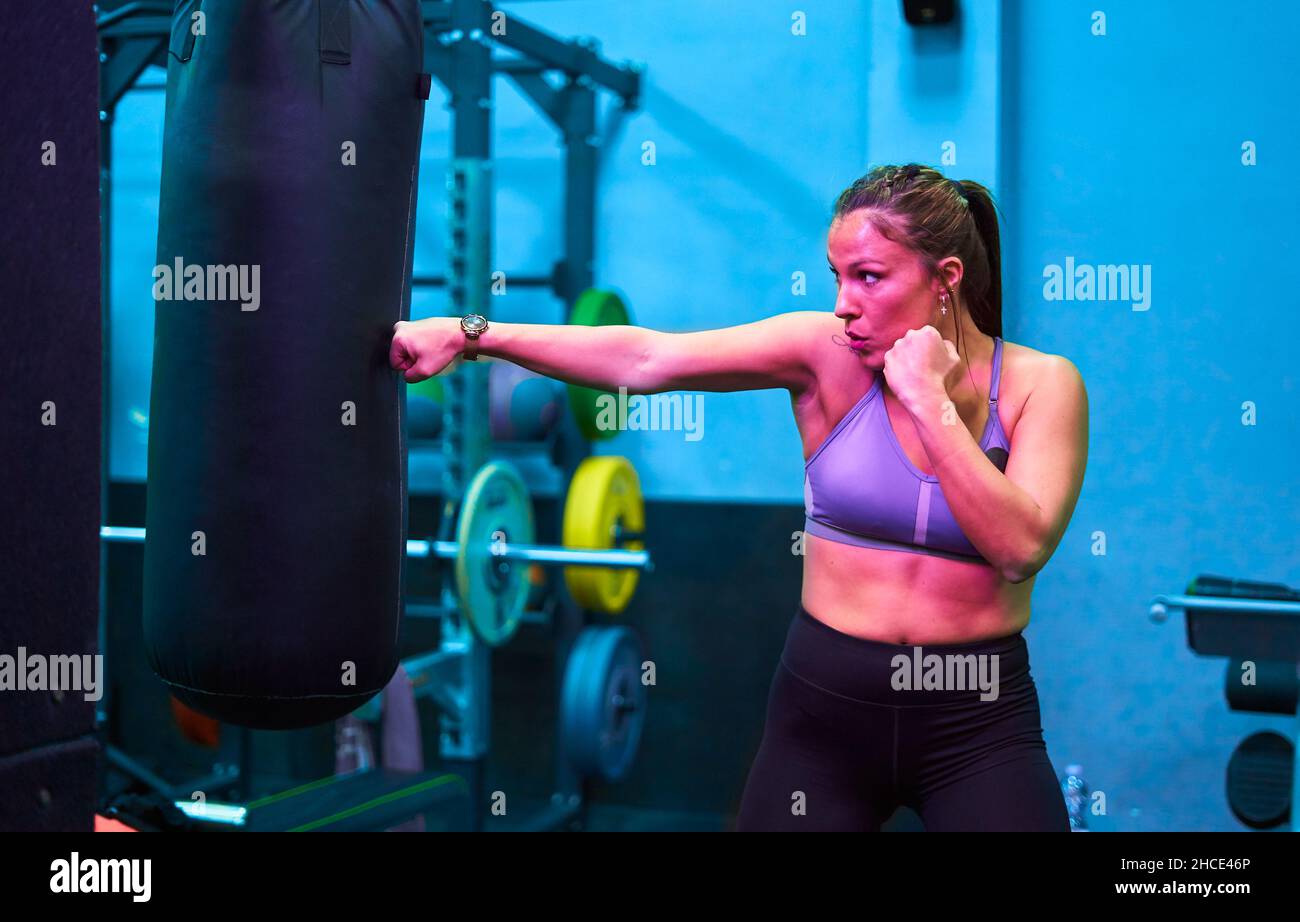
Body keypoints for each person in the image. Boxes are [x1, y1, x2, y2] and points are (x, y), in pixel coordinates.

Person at [389, 163, 1089, 831]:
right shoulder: (826, 354)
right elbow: (647, 359)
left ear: (947, 279)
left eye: (869, 278)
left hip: (974, 720)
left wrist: (928, 400)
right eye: (837, 277)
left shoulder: (1041, 386)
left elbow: (1018, 549)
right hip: (825, 717)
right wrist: (468, 334)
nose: (844, 304)